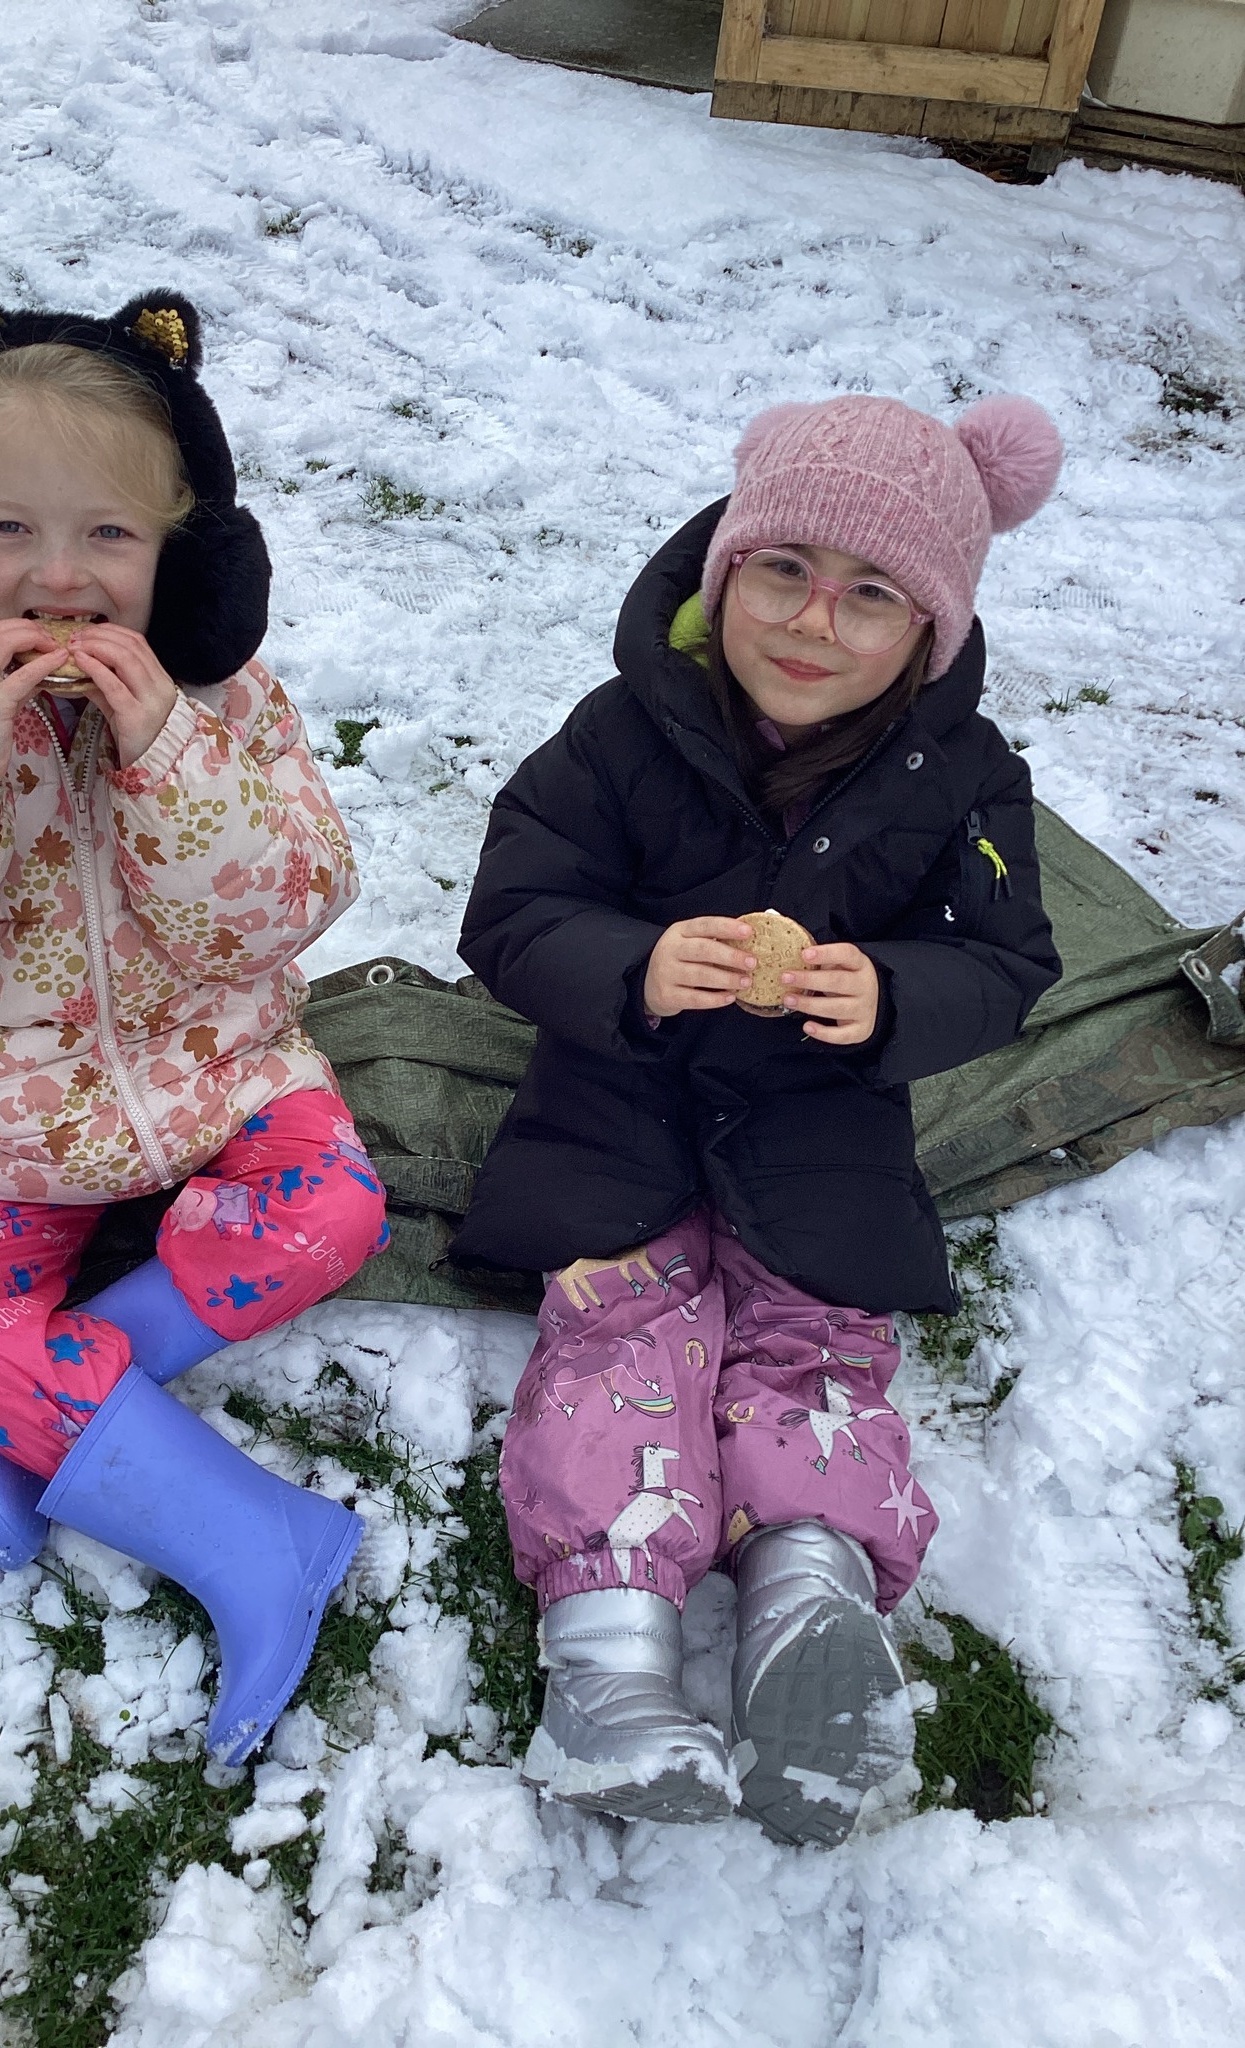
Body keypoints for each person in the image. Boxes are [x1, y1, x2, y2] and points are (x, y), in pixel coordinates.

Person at [0, 289, 388, 1764]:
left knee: (337, 1211)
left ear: (180, 549)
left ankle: (38, 1419)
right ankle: (255, 1539)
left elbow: (293, 897)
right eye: (10, 535)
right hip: (12, 1119)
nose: (60, 578)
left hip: (223, 1080)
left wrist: (170, 750)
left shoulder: (223, 696)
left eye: (108, 535)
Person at [449, 393, 1064, 1843]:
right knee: (618, 1336)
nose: (813, 623)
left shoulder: (962, 778)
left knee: (819, 1341)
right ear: (724, 576)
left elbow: (1009, 959)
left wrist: (898, 994)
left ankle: (813, 1604)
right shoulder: (619, 737)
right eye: (782, 571)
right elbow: (513, 906)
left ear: (929, 633)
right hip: (618, 1105)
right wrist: (638, 966)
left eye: (871, 598)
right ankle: (604, 1667)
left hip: (821, 1129)